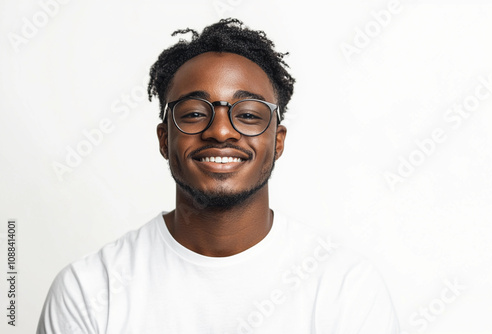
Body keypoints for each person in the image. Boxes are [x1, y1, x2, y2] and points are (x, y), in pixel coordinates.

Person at [37, 18, 399, 333]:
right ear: (165, 139)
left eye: (249, 114)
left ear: (278, 141)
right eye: (194, 113)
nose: (222, 131)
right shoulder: (89, 290)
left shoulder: (346, 289)